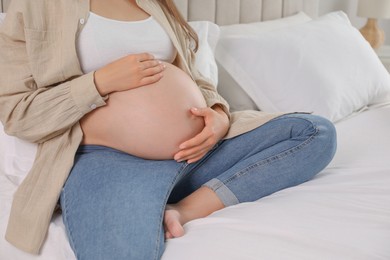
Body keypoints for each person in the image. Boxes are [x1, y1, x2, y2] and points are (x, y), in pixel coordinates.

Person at [0, 0, 337, 259]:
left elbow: (195, 78)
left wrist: (218, 115)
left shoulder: (156, 4)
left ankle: (182, 208)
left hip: (198, 152)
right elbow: (17, 112)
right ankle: (149, 198)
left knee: (314, 132)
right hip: (109, 160)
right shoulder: (37, 6)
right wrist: (99, 83)